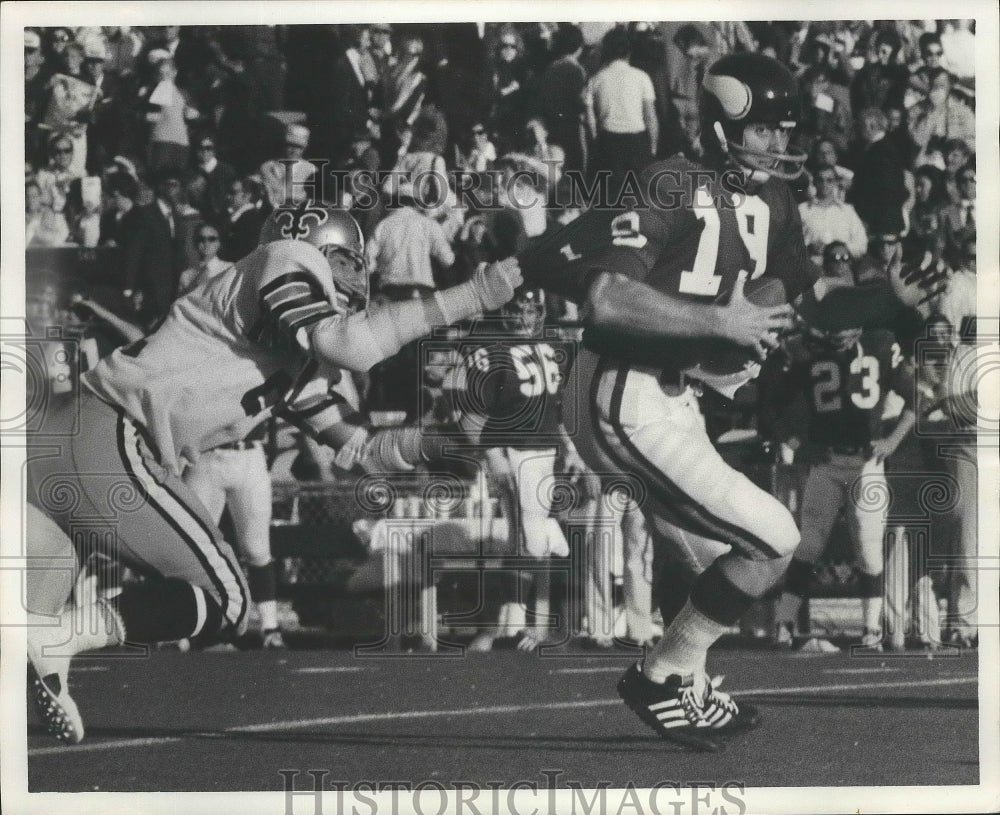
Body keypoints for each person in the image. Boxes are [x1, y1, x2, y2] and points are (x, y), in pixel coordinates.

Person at [519, 52, 933, 751]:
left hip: (672, 399)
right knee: (773, 537)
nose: (779, 143)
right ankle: (665, 672)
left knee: (728, 556)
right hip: (622, 388)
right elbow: (608, 297)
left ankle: (684, 675)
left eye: (784, 129)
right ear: (718, 126)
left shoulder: (771, 199)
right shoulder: (670, 181)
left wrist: (884, 301)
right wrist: (720, 324)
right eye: (764, 128)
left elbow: (799, 303)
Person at [25, 202, 523, 743]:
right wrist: (469, 297)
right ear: (320, 250)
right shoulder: (286, 257)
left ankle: (49, 656)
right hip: (109, 436)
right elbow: (351, 345)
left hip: (67, 445)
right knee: (226, 597)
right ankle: (62, 637)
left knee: (16, 641)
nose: (361, 276)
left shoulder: (290, 356)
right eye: (351, 262)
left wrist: (441, 439)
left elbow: (359, 447)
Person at [761, 311, 916, 651]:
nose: (840, 330)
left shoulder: (879, 346)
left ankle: (870, 631)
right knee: (809, 545)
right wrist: (799, 445)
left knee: (869, 551)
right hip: (827, 461)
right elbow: (772, 409)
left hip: (867, 462)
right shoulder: (807, 354)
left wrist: (891, 442)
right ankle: (784, 625)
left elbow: (914, 400)